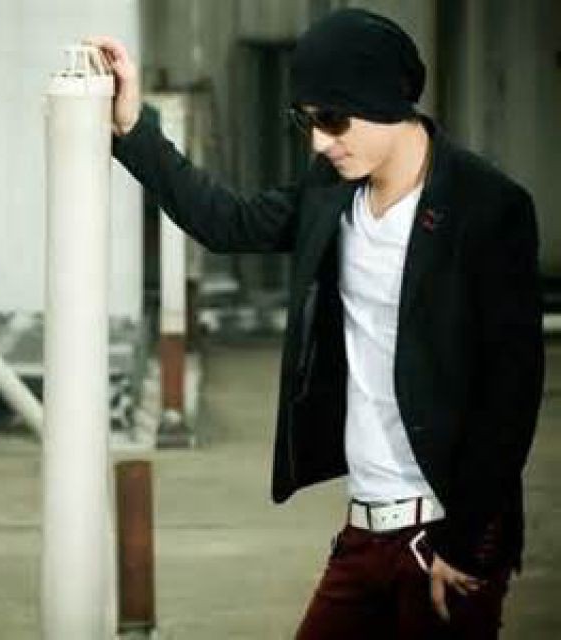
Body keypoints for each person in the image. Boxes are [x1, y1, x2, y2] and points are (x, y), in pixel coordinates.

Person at [87, 7, 544, 639]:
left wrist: (465, 544)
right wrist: (133, 127)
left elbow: (511, 391)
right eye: (307, 121)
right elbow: (227, 222)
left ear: (385, 100)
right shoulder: (333, 192)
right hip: (362, 531)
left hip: (447, 538)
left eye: (333, 119)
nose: (320, 142)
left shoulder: (487, 207)